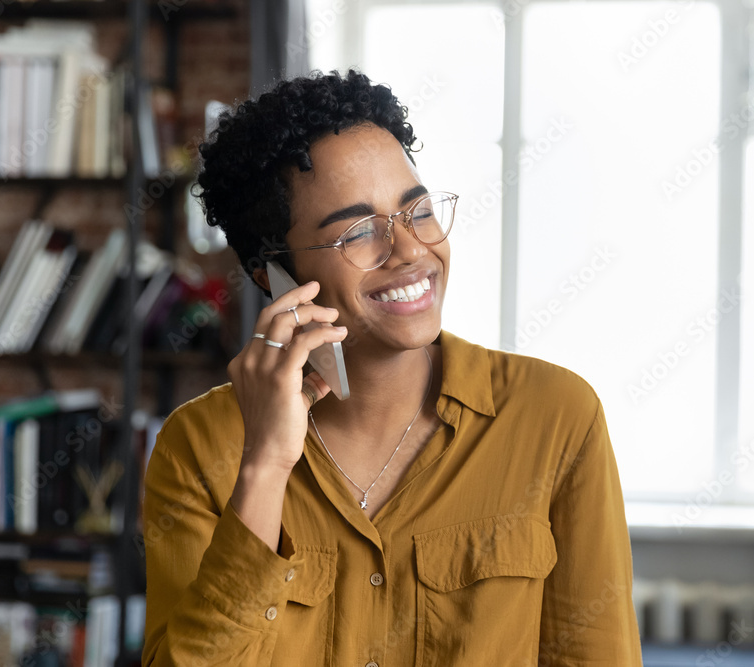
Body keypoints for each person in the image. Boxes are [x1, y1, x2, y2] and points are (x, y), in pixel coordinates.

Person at [141, 69, 642, 666]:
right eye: (358, 232)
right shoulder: (198, 448)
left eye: (418, 211)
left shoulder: (556, 417)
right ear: (272, 275)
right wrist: (266, 467)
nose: (410, 252)